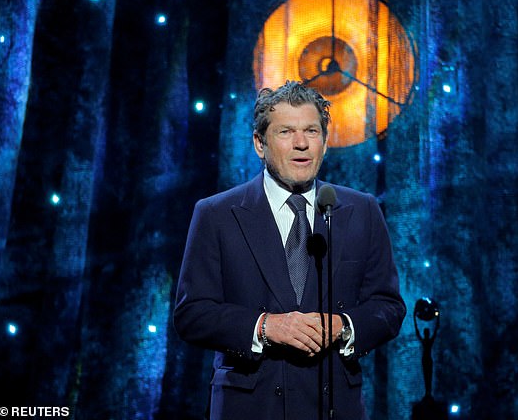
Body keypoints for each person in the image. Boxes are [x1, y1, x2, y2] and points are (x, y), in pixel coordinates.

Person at [174, 81, 406, 420]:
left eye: (311, 131)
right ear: (259, 144)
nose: (301, 144)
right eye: (286, 132)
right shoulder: (216, 214)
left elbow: (388, 307)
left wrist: (344, 325)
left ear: (325, 143)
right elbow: (191, 314)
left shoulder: (362, 210)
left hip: (333, 407)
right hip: (251, 407)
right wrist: (265, 326)